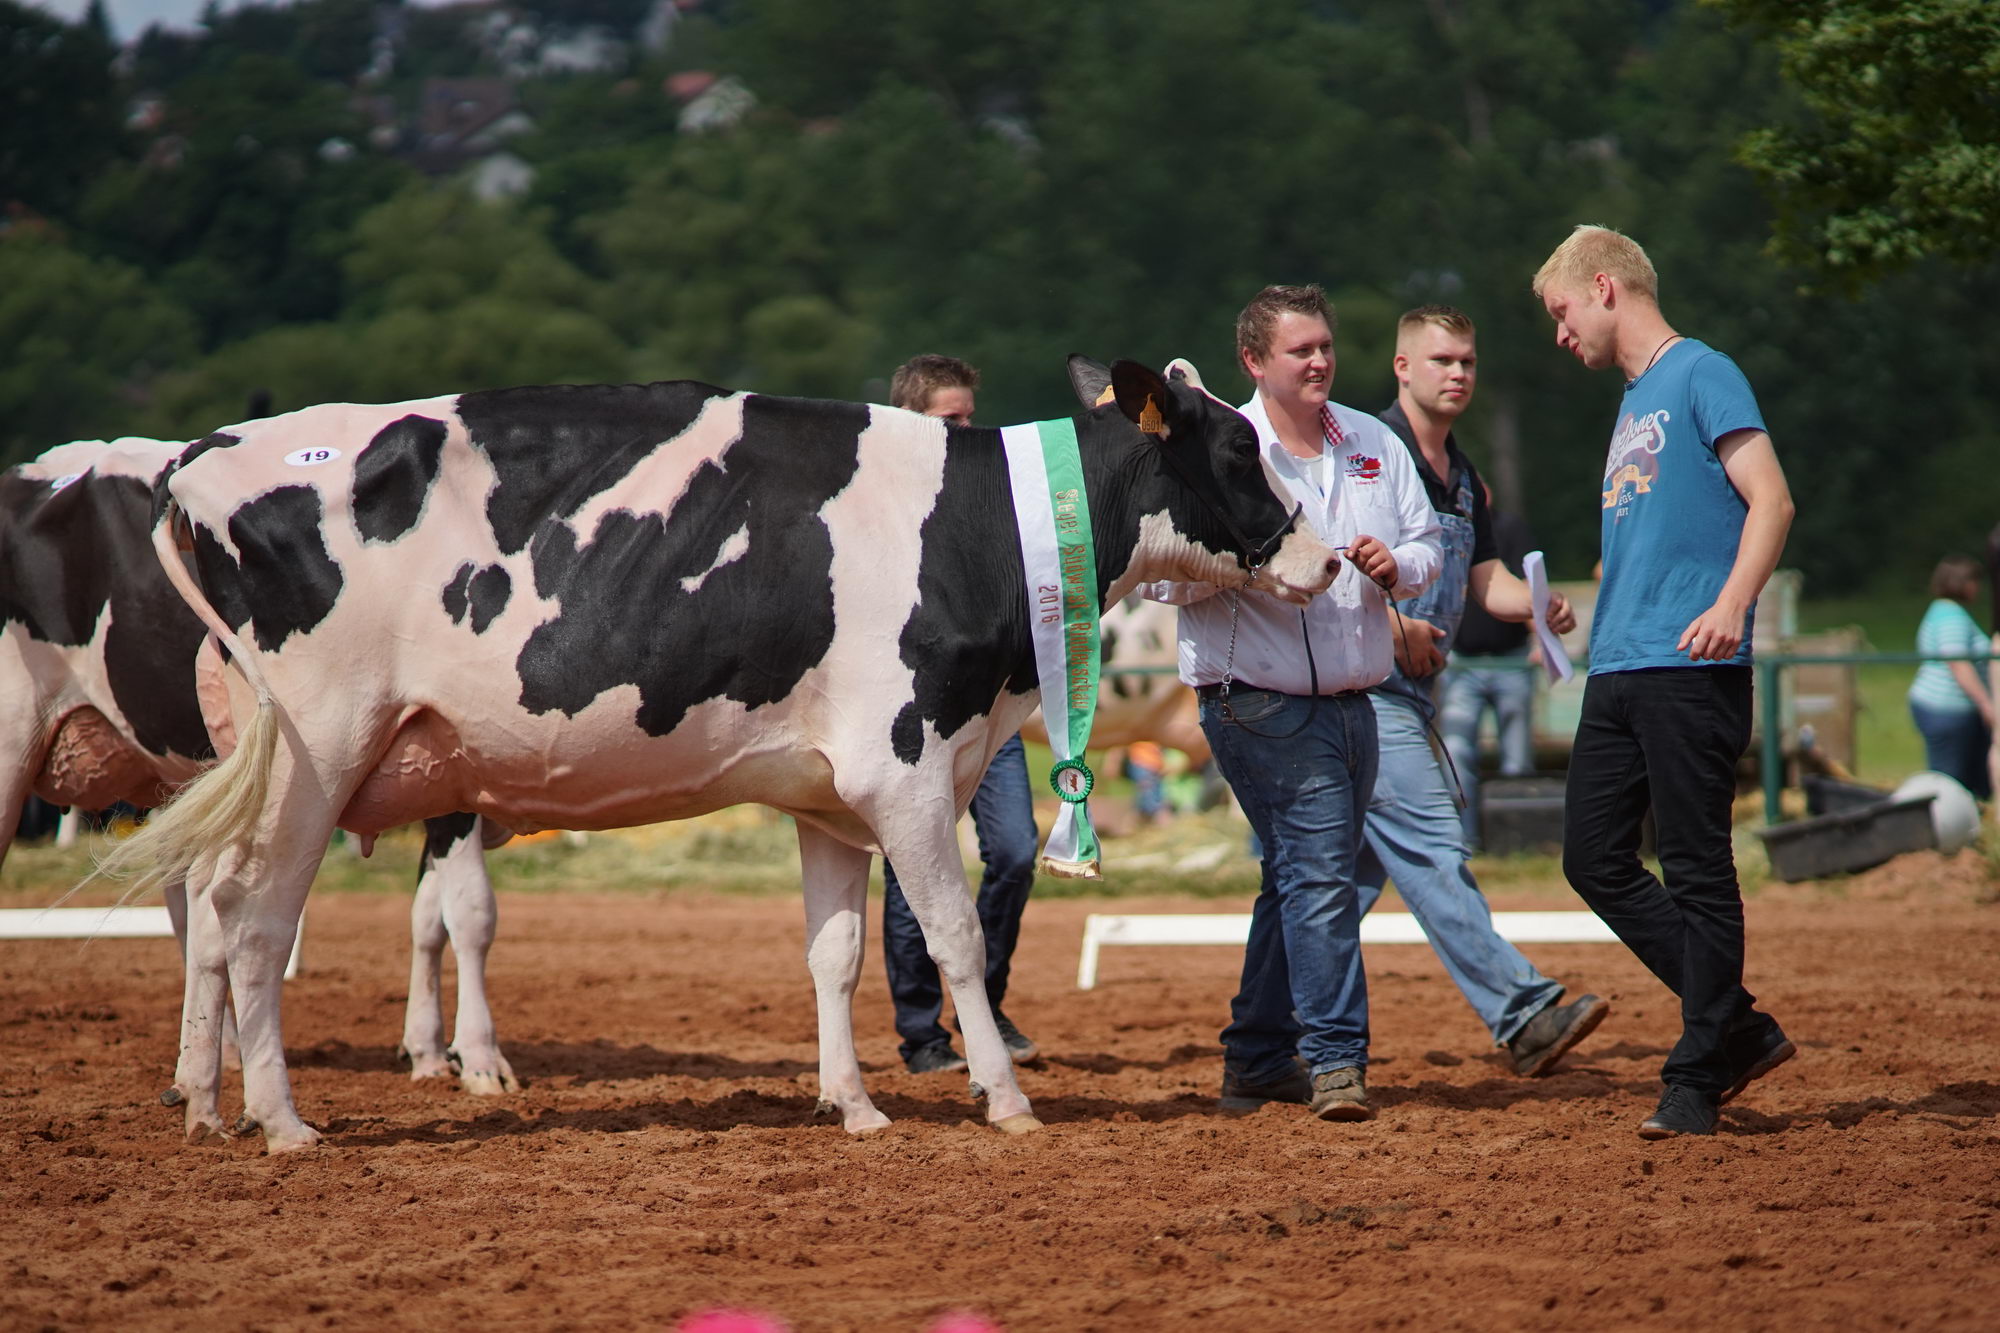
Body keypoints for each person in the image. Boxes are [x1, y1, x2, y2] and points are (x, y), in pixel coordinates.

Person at [1146, 284, 1441, 1122]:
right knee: (1320, 876)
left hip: (1359, 699)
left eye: (1324, 345)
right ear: (1252, 362)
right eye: (1297, 349)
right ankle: (1337, 1060)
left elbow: (1429, 544)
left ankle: (1256, 1059)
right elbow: (1160, 572)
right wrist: (1247, 565)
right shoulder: (1211, 449)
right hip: (1257, 703)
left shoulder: (1375, 440)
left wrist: (1401, 566)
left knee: (1296, 878)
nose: (1318, 360)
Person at [1534, 224, 1797, 1138]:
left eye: (1562, 312)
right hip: (1619, 663)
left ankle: (1695, 1074)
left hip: (1690, 664)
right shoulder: (1634, 400)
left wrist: (1731, 603)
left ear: (1604, 288)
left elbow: (1772, 497)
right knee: (1591, 857)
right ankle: (1740, 1025)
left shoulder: (1701, 371)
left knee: (1695, 870)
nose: (1560, 335)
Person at [1355, 305, 1608, 1076]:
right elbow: (1338, 561)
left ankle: (1266, 1034)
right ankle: (1521, 1010)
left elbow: (1483, 579)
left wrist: (1537, 603)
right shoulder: (1368, 452)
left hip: (1411, 697)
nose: (1458, 373)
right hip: (1363, 691)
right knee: (1434, 849)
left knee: (1331, 886)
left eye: (1467, 360)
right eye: (1441, 360)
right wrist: (1391, 629)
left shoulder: (1464, 478)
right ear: (1402, 367)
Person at [879, 354, 1040, 1074]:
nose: (972, 430)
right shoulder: (872, 508)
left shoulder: (992, 497)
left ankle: (984, 1003)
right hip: (909, 720)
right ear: (910, 421)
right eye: (955, 420)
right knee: (916, 869)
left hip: (984, 707)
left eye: (973, 416)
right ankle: (923, 1033)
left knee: (1013, 852)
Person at [1438, 487, 1539, 849]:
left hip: (1511, 661)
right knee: (1457, 752)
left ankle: (1514, 839)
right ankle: (1464, 839)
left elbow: (1530, 585)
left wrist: (1541, 638)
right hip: (1462, 665)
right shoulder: (1447, 531)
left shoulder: (1510, 529)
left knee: (1516, 756)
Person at [1907, 555, 1993, 799]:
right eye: (1974, 581)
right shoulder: (1951, 617)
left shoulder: (1943, 611)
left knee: (1968, 779)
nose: (1977, 588)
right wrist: (1986, 704)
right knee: (1949, 782)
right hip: (1946, 709)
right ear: (1962, 583)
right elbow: (1957, 663)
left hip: (1951, 709)